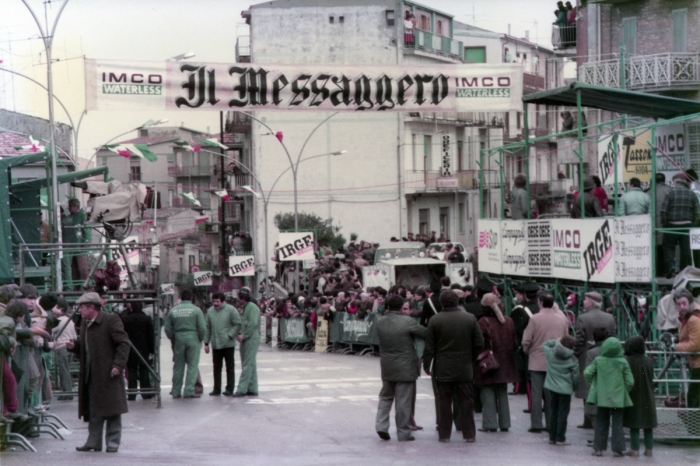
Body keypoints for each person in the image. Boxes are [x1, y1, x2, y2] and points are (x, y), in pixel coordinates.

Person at [67, 292, 130, 453]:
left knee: (113, 410)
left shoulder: (110, 320)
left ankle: (112, 443)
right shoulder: (86, 323)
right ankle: (93, 442)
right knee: (94, 410)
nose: (79, 310)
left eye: (82, 307)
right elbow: (87, 346)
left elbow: (123, 344)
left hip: (109, 373)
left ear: (91, 307)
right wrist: (75, 346)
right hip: (92, 374)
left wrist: (118, 364)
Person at [423, 290, 484, 443]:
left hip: (442, 367)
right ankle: (469, 434)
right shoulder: (470, 318)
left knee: (443, 402)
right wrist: (471, 357)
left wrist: (426, 365)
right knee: (466, 401)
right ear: (457, 301)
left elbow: (429, 346)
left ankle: (444, 435)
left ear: (441, 303)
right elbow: (479, 342)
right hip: (464, 366)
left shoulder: (435, 320)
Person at [375, 295, 427, 441]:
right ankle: (403, 432)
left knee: (385, 397)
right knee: (403, 400)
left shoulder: (380, 322)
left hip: (387, 365)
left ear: (388, 306)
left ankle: (381, 426)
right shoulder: (407, 321)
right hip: (405, 366)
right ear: (400, 307)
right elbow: (424, 332)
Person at [521, 292, 569, 433]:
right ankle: (550, 423)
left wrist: (528, 351)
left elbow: (526, 340)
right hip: (554, 360)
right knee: (551, 395)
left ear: (540, 302)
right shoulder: (561, 319)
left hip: (536, 360)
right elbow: (566, 338)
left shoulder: (535, 319)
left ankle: (536, 424)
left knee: (536, 394)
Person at [473, 294, 518, 433]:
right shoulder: (509, 321)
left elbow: (479, 343)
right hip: (506, 362)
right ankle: (505, 423)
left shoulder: (482, 321)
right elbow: (515, 343)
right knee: (502, 392)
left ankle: (490, 424)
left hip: (489, 363)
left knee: (487, 392)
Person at [574, 292, 617, 429]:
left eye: (586, 300)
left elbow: (579, 340)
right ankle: (600, 419)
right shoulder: (610, 318)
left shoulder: (582, 318)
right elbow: (613, 337)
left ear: (591, 302)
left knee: (587, 387)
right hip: (605, 355)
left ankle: (588, 420)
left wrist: (576, 354)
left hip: (587, 356)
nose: (584, 302)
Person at [585, 337, 634, 457]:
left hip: (602, 397)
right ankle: (617, 450)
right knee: (617, 423)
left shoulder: (598, 360)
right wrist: (624, 391)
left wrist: (593, 385)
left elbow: (587, 373)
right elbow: (630, 381)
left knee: (601, 422)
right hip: (617, 398)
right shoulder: (623, 361)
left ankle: (598, 449)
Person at [164, 289, 206, 399]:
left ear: (181, 298)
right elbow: (202, 328)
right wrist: (200, 339)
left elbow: (168, 328)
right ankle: (189, 391)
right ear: (191, 298)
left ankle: (176, 391)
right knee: (192, 366)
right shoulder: (197, 310)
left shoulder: (173, 311)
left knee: (178, 366)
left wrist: (174, 338)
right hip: (193, 338)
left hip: (179, 338)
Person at [623, 336, 657, 457]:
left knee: (634, 423)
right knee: (648, 424)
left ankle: (634, 448)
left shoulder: (628, 361)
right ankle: (649, 449)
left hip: (633, 394)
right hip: (648, 393)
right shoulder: (648, 361)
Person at [543, 335, 579, 446]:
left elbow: (545, 344)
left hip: (552, 387)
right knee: (563, 413)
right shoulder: (573, 359)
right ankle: (560, 438)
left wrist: (556, 341)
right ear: (572, 347)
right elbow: (576, 377)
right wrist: (574, 387)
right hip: (566, 389)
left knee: (553, 411)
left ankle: (552, 437)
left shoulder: (551, 354)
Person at [661, 173, 699, 276]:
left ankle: (671, 267)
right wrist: (693, 224)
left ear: (675, 182)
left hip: (672, 224)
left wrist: (665, 224)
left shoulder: (670, 193)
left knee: (668, 247)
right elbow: (697, 212)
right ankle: (685, 271)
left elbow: (663, 210)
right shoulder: (691, 194)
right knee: (686, 249)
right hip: (687, 225)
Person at [204, 292, 242, 396]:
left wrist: (230, 335)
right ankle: (216, 389)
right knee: (216, 368)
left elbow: (237, 324)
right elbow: (208, 328)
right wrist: (206, 343)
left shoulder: (231, 310)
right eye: (214, 301)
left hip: (228, 344)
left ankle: (229, 388)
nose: (215, 304)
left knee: (230, 367)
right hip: (216, 344)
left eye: (217, 301)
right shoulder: (210, 311)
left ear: (223, 301)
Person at [120, 302, 155, 401]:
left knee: (132, 370)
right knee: (144, 370)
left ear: (131, 307)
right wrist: (152, 349)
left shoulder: (125, 319)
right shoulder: (146, 319)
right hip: (144, 348)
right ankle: (146, 393)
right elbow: (150, 335)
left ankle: (132, 394)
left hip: (130, 348)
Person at [674, 289, 700, 409]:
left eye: (684, 303)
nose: (682, 307)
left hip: (698, 364)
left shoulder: (693, 320)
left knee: (694, 399)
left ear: (689, 302)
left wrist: (677, 347)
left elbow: (695, 345)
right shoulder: (686, 318)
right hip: (695, 363)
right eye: (678, 304)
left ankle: (694, 427)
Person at [233, 287, 261, 397]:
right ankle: (253, 388)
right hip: (247, 338)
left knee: (247, 364)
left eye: (238, 298)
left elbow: (253, 324)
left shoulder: (252, 307)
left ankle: (241, 389)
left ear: (243, 298)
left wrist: (244, 335)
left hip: (250, 338)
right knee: (251, 363)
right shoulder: (247, 307)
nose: (237, 300)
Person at [51, 298, 77, 400]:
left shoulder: (59, 321)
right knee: (66, 369)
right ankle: (66, 391)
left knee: (64, 370)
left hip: (62, 347)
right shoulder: (70, 321)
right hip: (70, 347)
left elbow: (51, 330)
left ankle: (67, 393)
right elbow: (74, 336)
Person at [651, 173, 673, 276]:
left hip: (653, 222)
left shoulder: (649, 192)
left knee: (655, 247)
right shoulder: (670, 190)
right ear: (664, 180)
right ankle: (667, 269)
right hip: (668, 222)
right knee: (667, 247)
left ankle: (657, 270)